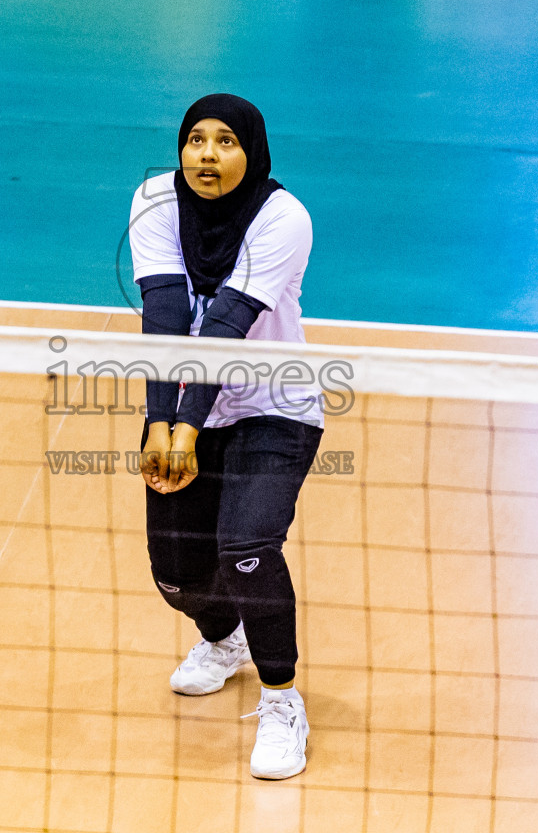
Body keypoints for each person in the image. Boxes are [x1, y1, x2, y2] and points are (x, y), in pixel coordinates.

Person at [126, 93, 323, 780]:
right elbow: (166, 311)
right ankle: (224, 638)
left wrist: (182, 425)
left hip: (274, 403)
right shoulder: (155, 200)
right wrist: (163, 421)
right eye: (196, 140)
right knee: (176, 578)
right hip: (184, 401)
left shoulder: (282, 217)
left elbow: (226, 325)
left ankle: (281, 701)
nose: (207, 155)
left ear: (252, 151)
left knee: (246, 547)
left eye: (226, 142)